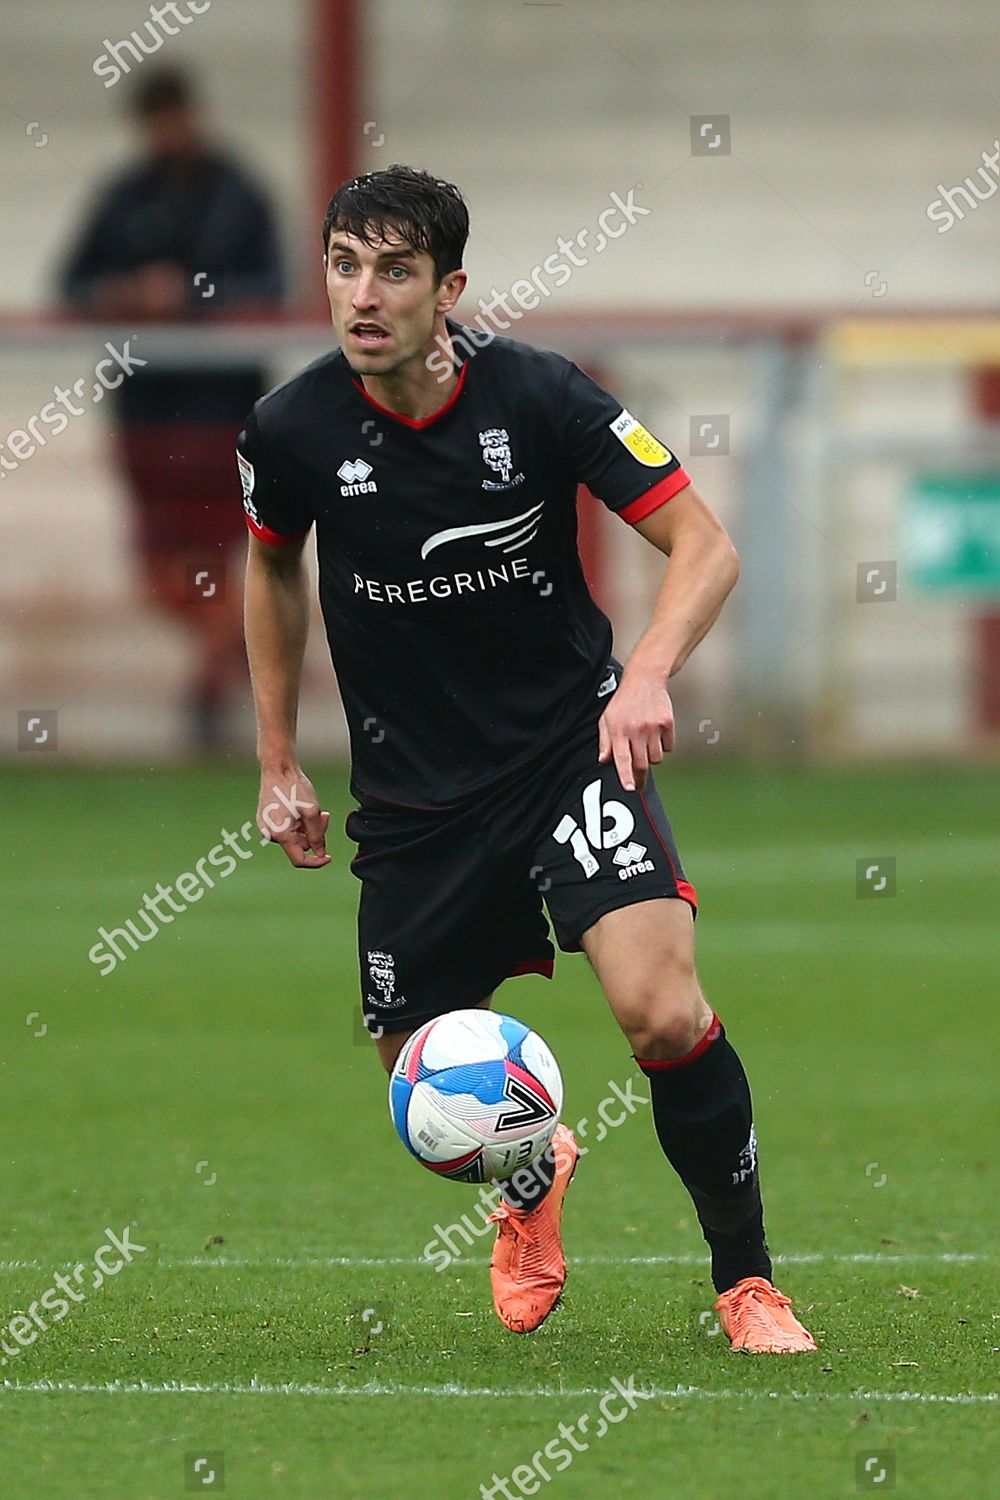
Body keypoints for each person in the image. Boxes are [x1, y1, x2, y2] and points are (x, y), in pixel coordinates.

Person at [240, 165, 816, 1354]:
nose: (363, 294)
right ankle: (528, 1173)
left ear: (449, 288)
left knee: (660, 1013)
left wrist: (648, 670)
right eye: (345, 264)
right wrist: (274, 758)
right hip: (412, 799)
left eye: (394, 270)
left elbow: (701, 546)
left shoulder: (540, 398)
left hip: (570, 756)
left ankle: (747, 1283)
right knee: (423, 1073)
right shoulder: (290, 430)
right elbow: (267, 568)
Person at [59, 65, 285, 748]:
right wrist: (124, 294)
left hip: (221, 411)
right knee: (161, 573)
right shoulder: (124, 195)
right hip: (148, 412)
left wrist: (192, 295)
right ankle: (241, 653)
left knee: (220, 555)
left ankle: (212, 687)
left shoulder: (238, 193)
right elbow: (73, 283)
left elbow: (272, 286)